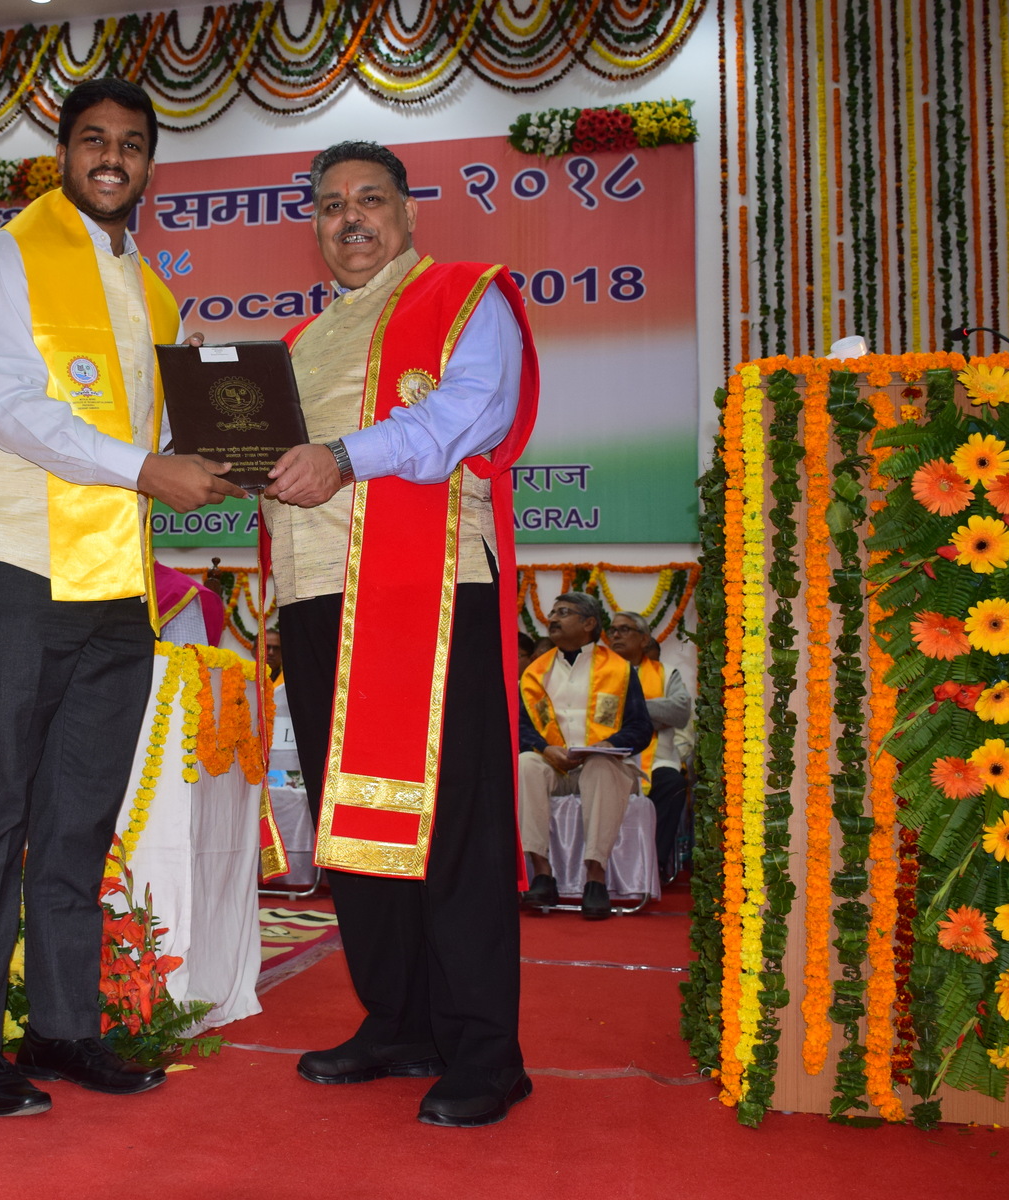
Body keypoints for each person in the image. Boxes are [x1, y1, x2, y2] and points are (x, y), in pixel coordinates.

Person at [0, 78, 242, 1118]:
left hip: (116, 583)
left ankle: (63, 1029)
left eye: (133, 144)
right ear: (63, 152)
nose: (113, 157)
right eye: (94, 140)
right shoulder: (8, 255)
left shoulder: (153, 292)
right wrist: (151, 469)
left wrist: (223, 453)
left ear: (150, 163)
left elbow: (159, 431)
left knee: (77, 817)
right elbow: (16, 411)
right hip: (12, 562)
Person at [261, 141, 538, 1127]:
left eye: (369, 199)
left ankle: (485, 1052)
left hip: (428, 588)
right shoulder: (300, 342)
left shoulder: (465, 298)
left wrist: (340, 457)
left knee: (454, 824)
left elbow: (469, 416)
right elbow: (282, 461)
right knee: (352, 821)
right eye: (330, 204)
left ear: (409, 212)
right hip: (314, 594)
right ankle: (398, 1020)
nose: (350, 218)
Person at [518, 592, 652, 919]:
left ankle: (596, 877)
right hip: (555, 765)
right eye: (552, 612)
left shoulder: (619, 669)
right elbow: (521, 726)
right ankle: (542, 873)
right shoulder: (535, 672)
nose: (552, 618)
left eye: (563, 612)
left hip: (602, 764)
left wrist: (610, 744)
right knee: (525, 764)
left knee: (600, 766)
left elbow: (640, 727)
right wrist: (545, 748)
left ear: (589, 623)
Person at [604, 611, 693, 881]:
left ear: (644, 639)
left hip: (657, 761)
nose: (616, 635)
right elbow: (595, 716)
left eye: (624, 629)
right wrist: (654, 715)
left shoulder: (665, 673)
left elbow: (679, 712)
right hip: (610, 756)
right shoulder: (599, 673)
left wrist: (630, 710)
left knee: (673, 784)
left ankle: (651, 866)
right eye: (612, 630)